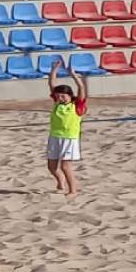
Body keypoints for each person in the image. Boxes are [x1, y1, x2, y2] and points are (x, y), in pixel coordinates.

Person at [47, 61, 87, 197]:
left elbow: (81, 88)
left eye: (63, 96)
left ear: (70, 95)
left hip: (69, 138)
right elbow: (51, 84)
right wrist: (54, 71)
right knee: (52, 167)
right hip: (54, 137)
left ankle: (73, 191)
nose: (60, 98)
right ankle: (60, 181)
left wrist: (73, 75)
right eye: (58, 96)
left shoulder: (77, 105)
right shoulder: (57, 103)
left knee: (65, 166)